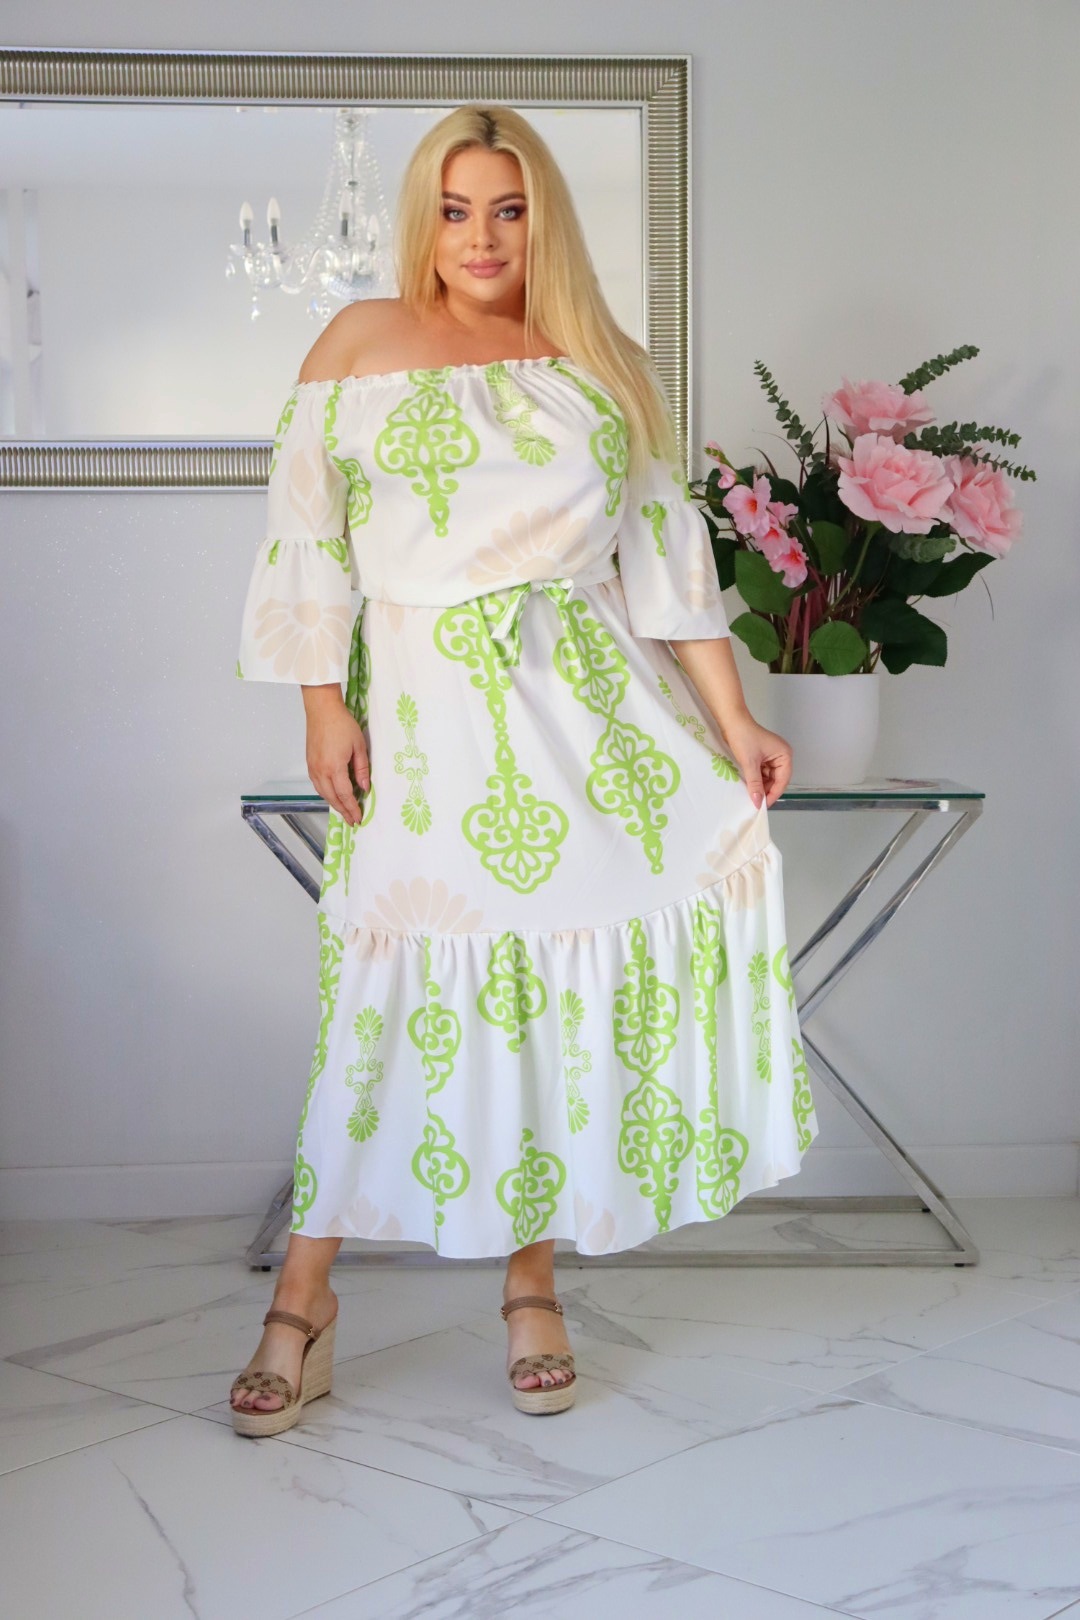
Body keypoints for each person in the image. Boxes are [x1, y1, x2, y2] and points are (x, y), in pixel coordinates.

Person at [229, 102, 819, 1433]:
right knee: (386, 990)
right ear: (423, 221)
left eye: (508, 210)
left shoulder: (603, 362)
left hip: (592, 720)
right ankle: (303, 1299)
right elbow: (308, 541)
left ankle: (532, 1283)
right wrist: (322, 708)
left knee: (550, 997)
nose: (481, 237)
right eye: (455, 211)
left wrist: (735, 722)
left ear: (542, 219)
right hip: (425, 723)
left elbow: (665, 559)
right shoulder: (356, 343)